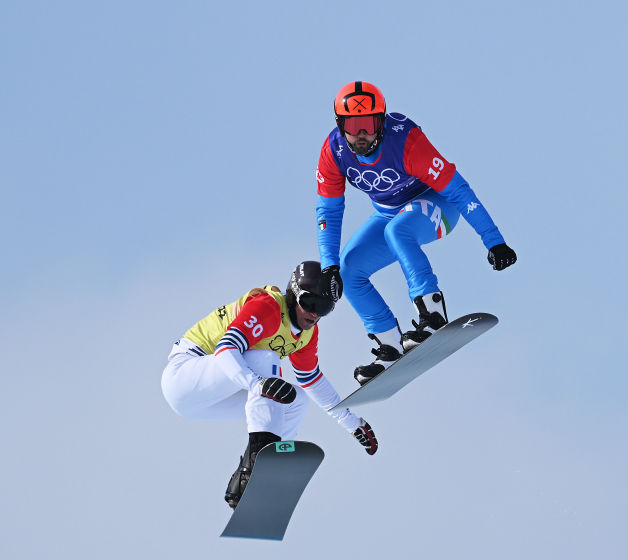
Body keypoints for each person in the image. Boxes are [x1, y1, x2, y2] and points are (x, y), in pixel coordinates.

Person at [315, 80, 517, 384]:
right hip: (389, 212)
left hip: (439, 204)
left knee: (399, 231)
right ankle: (390, 346)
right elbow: (328, 211)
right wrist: (328, 264)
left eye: (368, 123)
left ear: (381, 122)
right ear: (340, 124)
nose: (360, 134)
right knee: (347, 269)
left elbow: (459, 191)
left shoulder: (406, 142)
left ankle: (433, 315)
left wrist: (495, 241)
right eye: (352, 124)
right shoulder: (334, 151)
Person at [161, 261, 379, 508]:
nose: (315, 313)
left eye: (325, 307)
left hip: (211, 398)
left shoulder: (307, 333)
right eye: (311, 303)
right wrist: (255, 384)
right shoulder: (267, 307)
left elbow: (312, 380)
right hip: (185, 376)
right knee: (266, 359)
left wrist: (351, 422)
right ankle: (257, 462)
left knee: (296, 400)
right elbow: (225, 350)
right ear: (294, 295)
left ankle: (260, 468)